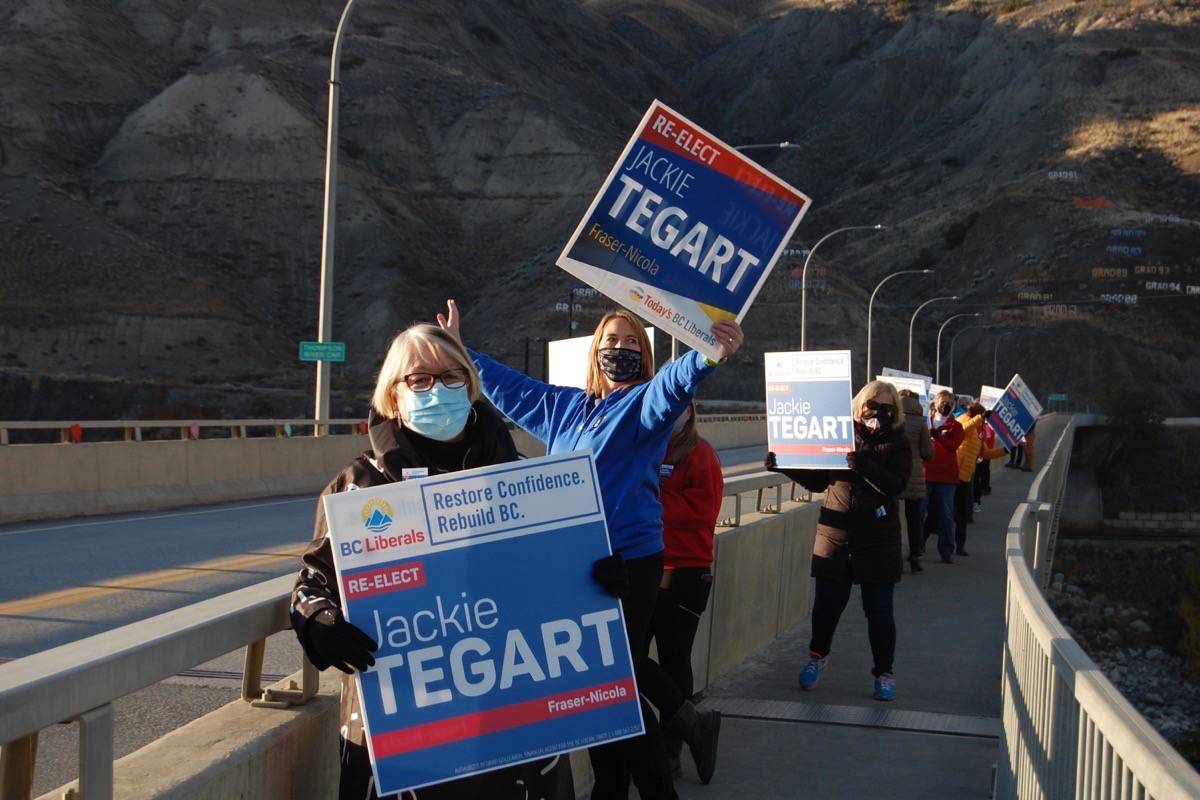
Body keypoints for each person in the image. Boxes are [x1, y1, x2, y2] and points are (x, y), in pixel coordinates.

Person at [438, 299, 742, 800]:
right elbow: (510, 389)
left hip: (630, 562)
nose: (618, 349)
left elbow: (672, 385)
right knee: (592, 691)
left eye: (629, 342)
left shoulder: (644, 407)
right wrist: (459, 349)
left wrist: (706, 355)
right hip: (577, 564)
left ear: (643, 355)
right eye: (610, 341)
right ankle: (615, 782)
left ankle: (640, 785)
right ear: (594, 352)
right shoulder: (565, 409)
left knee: (612, 687)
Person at [289, 324, 573, 799]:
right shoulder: (359, 487)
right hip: (406, 727)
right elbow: (312, 583)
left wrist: (598, 577)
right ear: (393, 397)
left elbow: (563, 569)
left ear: (471, 383)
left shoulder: (523, 477)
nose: (436, 390)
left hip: (513, 726)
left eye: (450, 376)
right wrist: (320, 622)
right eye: (418, 380)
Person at [765, 380, 911, 701]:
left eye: (887, 406)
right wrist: (785, 465)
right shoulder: (837, 434)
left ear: (895, 411)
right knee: (826, 607)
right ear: (860, 406)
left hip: (878, 540)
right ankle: (817, 658)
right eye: (873, 405)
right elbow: (819, 482)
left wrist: (864, 463)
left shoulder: (899, 443)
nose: (878, 412)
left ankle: (884, 673)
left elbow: (896, 484)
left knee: (880, 612)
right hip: (836, 538)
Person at [642, 401, 724, 783]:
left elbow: (703, 511)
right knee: (633, 660)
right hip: (644, 569)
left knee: (675, 661)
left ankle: (671, 751)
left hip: (685, 572)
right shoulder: (645, 448)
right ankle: (687, 728)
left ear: (689, 412)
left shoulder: (700, 454)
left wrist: (648, 497)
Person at [953, 403, 1007, 556]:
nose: (984, 422)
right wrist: (979, 418)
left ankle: (959, 546)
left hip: (967, 476)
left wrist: (1004, 451)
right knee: (944, 513)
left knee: (963, 514)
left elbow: (985, 453)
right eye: (983, 418)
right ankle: (922, 544)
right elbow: (962, 431)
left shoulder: (978, 432)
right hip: (954, 475)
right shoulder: (962, 421)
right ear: (975, 414)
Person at [923, 389, 965, 564]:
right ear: (935, 403)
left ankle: (947, 550)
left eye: (949, 402)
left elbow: (953, 446)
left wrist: (938, 436)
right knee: (920, 513)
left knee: (946, 515)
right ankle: (917, 546)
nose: (946, 405)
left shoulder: (957, 427)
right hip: (926, 474)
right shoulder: (926, 423)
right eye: (943, 401)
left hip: (947, 477)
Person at [897, 389, 933, 573]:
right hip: (915, 475)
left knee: (894, 518)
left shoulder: (894, 419)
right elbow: (928, 453)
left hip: (895, 473)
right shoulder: (920, 422)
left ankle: (895, 556)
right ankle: (915, 556)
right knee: (915, 519)